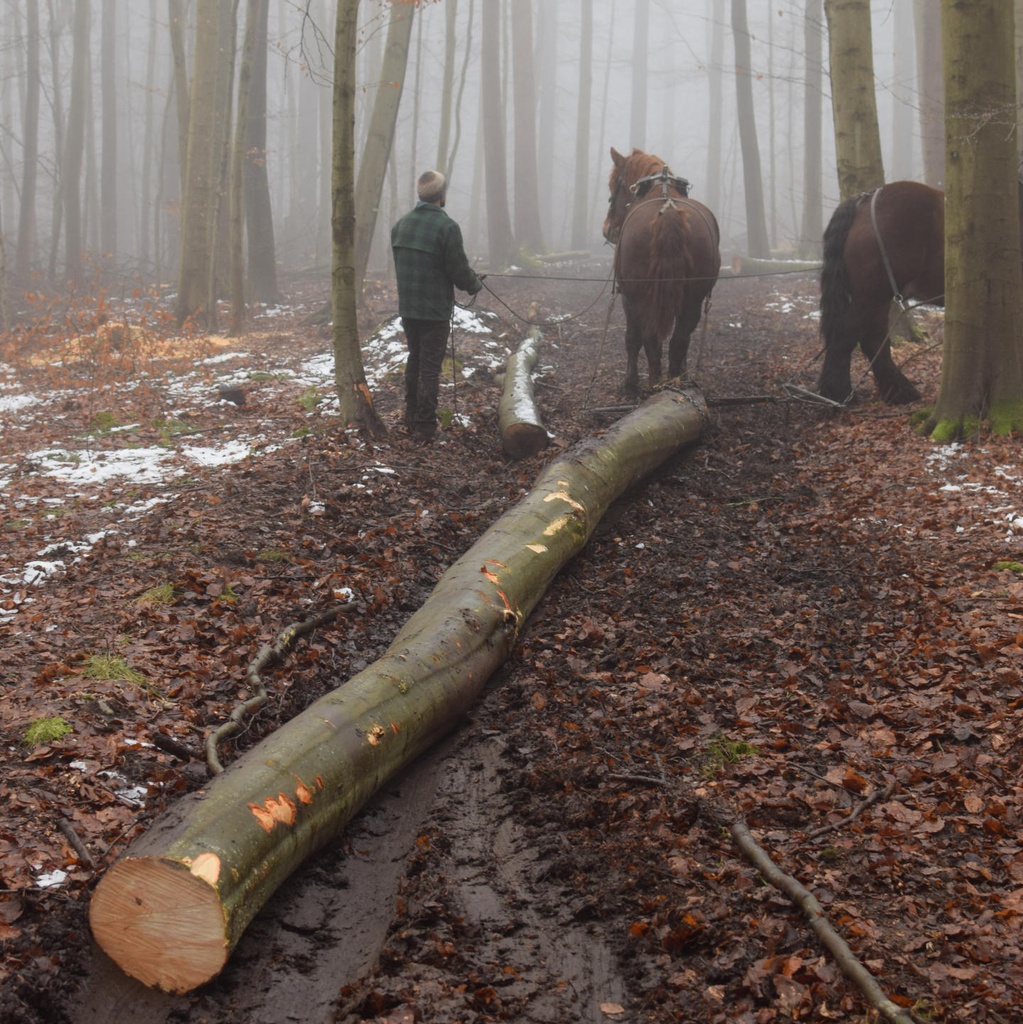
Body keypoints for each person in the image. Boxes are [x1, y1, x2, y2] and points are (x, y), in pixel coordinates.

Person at [391, 170, 484, 439]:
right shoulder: (447, 228)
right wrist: (474, 284)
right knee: (430, 368)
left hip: (408, 309)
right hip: (434, 311)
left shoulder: (401, 225)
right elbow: (457, 270)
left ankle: (410, 415)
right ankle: (425, 426)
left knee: (415, 359)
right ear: (441, 196)